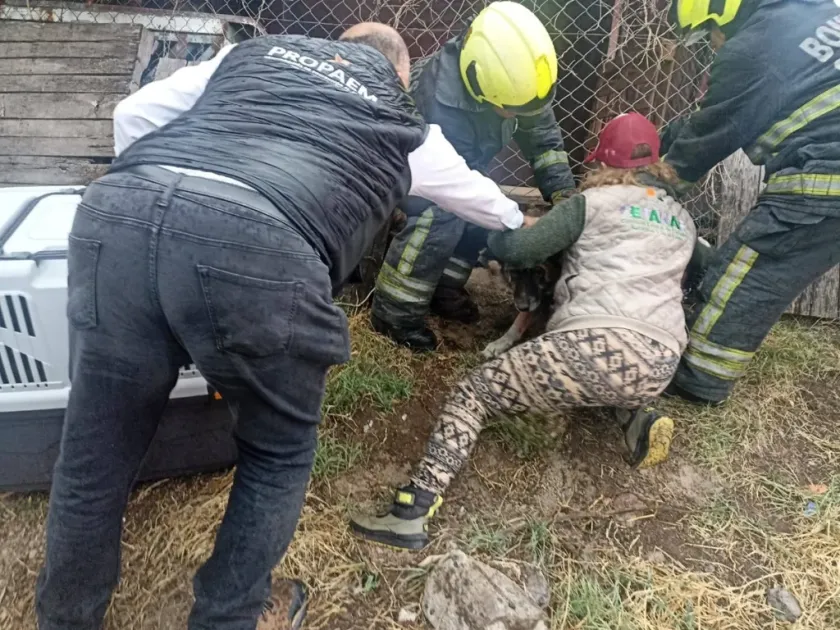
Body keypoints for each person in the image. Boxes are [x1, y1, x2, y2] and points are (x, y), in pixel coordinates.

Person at [35, 24, 538, 630]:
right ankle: (229, 616)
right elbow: (485, 203)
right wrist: (538, 225)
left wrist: (157, 209)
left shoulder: (248, 57)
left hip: (117, 212)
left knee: (95, 451)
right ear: (400, 76)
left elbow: (133, 111)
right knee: (276, 453)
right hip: (259, 245)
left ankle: (65, 618)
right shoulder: (403, 119)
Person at [350, 112, 703, 550]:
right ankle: (637, 414)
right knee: (616, 372)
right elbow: (702, 275)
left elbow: (518, 248)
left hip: (594, 344)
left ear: (601, 164)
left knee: (474, 394)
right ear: (657, 163)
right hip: (660, 358)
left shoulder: (590, 204)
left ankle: (412, 511)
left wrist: (498, 238)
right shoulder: (682, 219)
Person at [370, 1, 576, 352]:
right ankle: (395, 313)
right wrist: (504, 211)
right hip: (410, 178)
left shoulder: (520, 79)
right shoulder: (438, 98)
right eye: (509, 109)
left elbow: (544, 141)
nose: (517, 115)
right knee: (445, 213)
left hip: (462, 171)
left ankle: (444, 288)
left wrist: (564, 199)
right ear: (478, 84)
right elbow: (448, 186)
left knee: (485, 209)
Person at [662, 0, 840, 405]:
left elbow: (707, 139)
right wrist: (666, 138)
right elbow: (717, 117)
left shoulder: (750, 50)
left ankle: (698, 380)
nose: (714, 44)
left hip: (826, 172)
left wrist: (652, 183)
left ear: (722, 13)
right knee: (761, 266)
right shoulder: (809, 10)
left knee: (748, 272)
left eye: (709, 33)